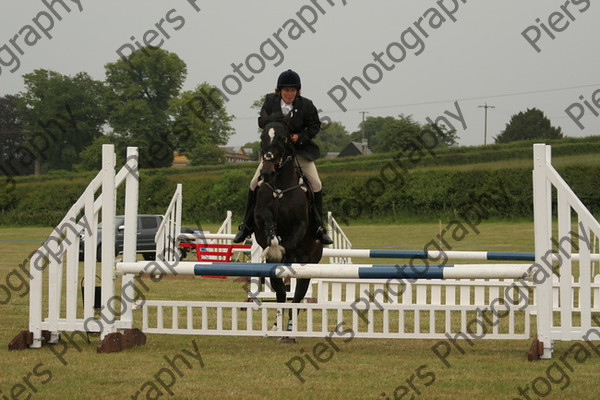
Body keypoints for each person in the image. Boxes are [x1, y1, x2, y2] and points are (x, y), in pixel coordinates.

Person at [233, 69, 333, 245]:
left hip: (299, 152)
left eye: (293, 90)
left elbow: (315, 125)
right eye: (286, 90)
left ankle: (319, 227)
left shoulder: (306, 105)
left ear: (298, 91)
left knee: (317, 184)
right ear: (279, 91)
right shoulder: (270, 101)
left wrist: (299, 137)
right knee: (253, 183)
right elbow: (261, 122)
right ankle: (246, 226)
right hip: (275, 153)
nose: (289, 94)